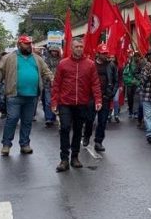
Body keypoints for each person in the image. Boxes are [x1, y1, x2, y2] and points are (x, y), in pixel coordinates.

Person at [0, 36, 54, 156]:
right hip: (14, 95)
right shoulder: (9, 57)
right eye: (26, 44)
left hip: (32, 96)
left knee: (27, 121)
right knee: (12, 119)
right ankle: (6, 145)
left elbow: (46, 71)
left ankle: (25, 144)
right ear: (19, 45)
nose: (29, 46)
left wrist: (52, 79)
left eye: (30, 43)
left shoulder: (37, 58)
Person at [51, 39, 102, 172]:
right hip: (65, 103)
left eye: (81, 46)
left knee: (78, 130)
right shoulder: (63, 64)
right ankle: (64, 159)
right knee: (65, 128)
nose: (79, 48)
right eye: (76, 46)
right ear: (71, 48)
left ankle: (75, 157)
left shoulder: (90, 64)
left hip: (82, 103)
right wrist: (54, 102)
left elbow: (95, 84)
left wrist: (98, 100)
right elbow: (56, 84)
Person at [83, 44, 117, 151]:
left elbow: (116, 81)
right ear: (98, 54)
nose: (105, 55)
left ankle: (98, 141)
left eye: (106, 53)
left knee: (102, 121)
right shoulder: (91, 64)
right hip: (92, 97)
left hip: (105, 97)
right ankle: (87, 136)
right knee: (89, 119)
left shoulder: (111, 65)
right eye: (103, 53)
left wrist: (111, 93)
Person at [41, 45, 62, 128]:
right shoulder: (46, 60)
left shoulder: (61, 60)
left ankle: (54, 116)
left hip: (59, 84)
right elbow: (44, 71)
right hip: (48, 84)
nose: (54, 52)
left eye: (56, 51)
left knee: (57, 101)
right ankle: (49, 118)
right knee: (48, 101)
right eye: (53, 51)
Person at [123, 51, 142, 119]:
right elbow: (125, 75)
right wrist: (131, 81)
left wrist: (138, 82)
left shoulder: (142, 65)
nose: (137, 58)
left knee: (137, 99)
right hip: (130, 85)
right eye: (135, 56)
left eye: (138, 56)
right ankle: (131, 111)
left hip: (138, 85)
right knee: (130, 99)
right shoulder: (129, 65)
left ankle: (136, 112)